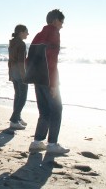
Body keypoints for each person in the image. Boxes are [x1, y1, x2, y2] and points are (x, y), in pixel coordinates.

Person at [25, 9, 70, 154]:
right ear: (55, 20)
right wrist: (53, 84)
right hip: (48, 79)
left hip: (37, 79)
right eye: (62, 22)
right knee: (57, 110)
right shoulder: (53, 33)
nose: (62, 25)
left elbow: (29, 59)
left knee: (44, 111)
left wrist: (33, 77)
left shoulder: (38, 35)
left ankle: (37, 142)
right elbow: (52, 61)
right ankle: (52, 144)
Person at [8, 25, 29, 130]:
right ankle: (14, 120)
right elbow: (21, 62)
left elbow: (10, 60)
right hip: (20, 74)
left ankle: (18, 118)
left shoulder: (12, 43)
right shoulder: (21, 44)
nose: (28, 34)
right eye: (26, 32)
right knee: (23, 97)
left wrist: (10, 74)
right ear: (21, 32)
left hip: (13, 72)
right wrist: (24, 76)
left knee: (17, 96)